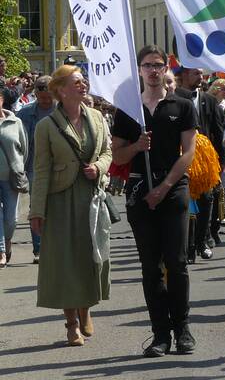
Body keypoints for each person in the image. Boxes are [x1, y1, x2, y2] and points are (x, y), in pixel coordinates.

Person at [111, 46, 198, 357]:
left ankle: (183, 328)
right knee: (151, 265)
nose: (152, 70)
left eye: (158, 65)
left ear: (165, 68)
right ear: (139, 70)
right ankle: (160, 333)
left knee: (176, 262)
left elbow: (188, 152)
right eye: (147, 65)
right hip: (139, 191)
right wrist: (137, 146)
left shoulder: (183, 105)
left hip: (172, 188)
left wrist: (165, 187)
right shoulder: (127, 109)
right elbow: (117, 155)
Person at [29, 65, 113, 346]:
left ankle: (85, 308)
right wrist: (36, 211)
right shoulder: (45, 126)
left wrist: (99, 168)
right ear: (61, 90)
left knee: (91, 255)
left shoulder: (98, 118)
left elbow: (107, 152)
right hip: (60, 199)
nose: (83, 84)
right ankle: (71, 324)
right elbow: (40, 170)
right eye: (76, 81)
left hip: (90, 197)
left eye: (83, 80)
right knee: (65, 261)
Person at [176, 65, 225, 261]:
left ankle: (201, 241)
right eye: (196, 73)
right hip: (181, 157)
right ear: (184, 75)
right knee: (185, 201)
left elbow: (219, 131)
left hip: (205, 160)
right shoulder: (174, 99)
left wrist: (222, 161)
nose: (200, 77)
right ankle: (186, 246)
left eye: (201, 73)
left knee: (207, 199)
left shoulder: (209, 100)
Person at [17, 74, 53, 262]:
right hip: (33, 167)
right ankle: (39, 249)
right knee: (37, 207)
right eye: (42, 98)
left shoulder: (62, 111)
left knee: (57, 206)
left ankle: (55, 245)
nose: (46, 102)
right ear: (36, 95)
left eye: (49, 98)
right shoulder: (24, 113)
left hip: (58, 166)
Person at [0, 88, 27, 268]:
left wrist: (18, 166)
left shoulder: (15, 121)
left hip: (10, 176)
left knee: (12, 218)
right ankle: (1, 250)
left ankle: (7, 240)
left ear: (1, 100)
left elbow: (24, 149)